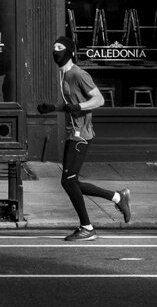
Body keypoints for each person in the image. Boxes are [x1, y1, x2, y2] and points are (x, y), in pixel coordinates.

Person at [37, 32, 132, 240]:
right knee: (71, 181)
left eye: (60, 49)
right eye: (54, 48)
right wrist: (52, 107)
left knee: (69, 181)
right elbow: (71, 104)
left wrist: (77, 106)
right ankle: (118, 197)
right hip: (74, 133)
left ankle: (87, 228)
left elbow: (99, 100)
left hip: (81, 135)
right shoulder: (63, 75)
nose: (55, 52)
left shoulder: (78, 74)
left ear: (69, 52)